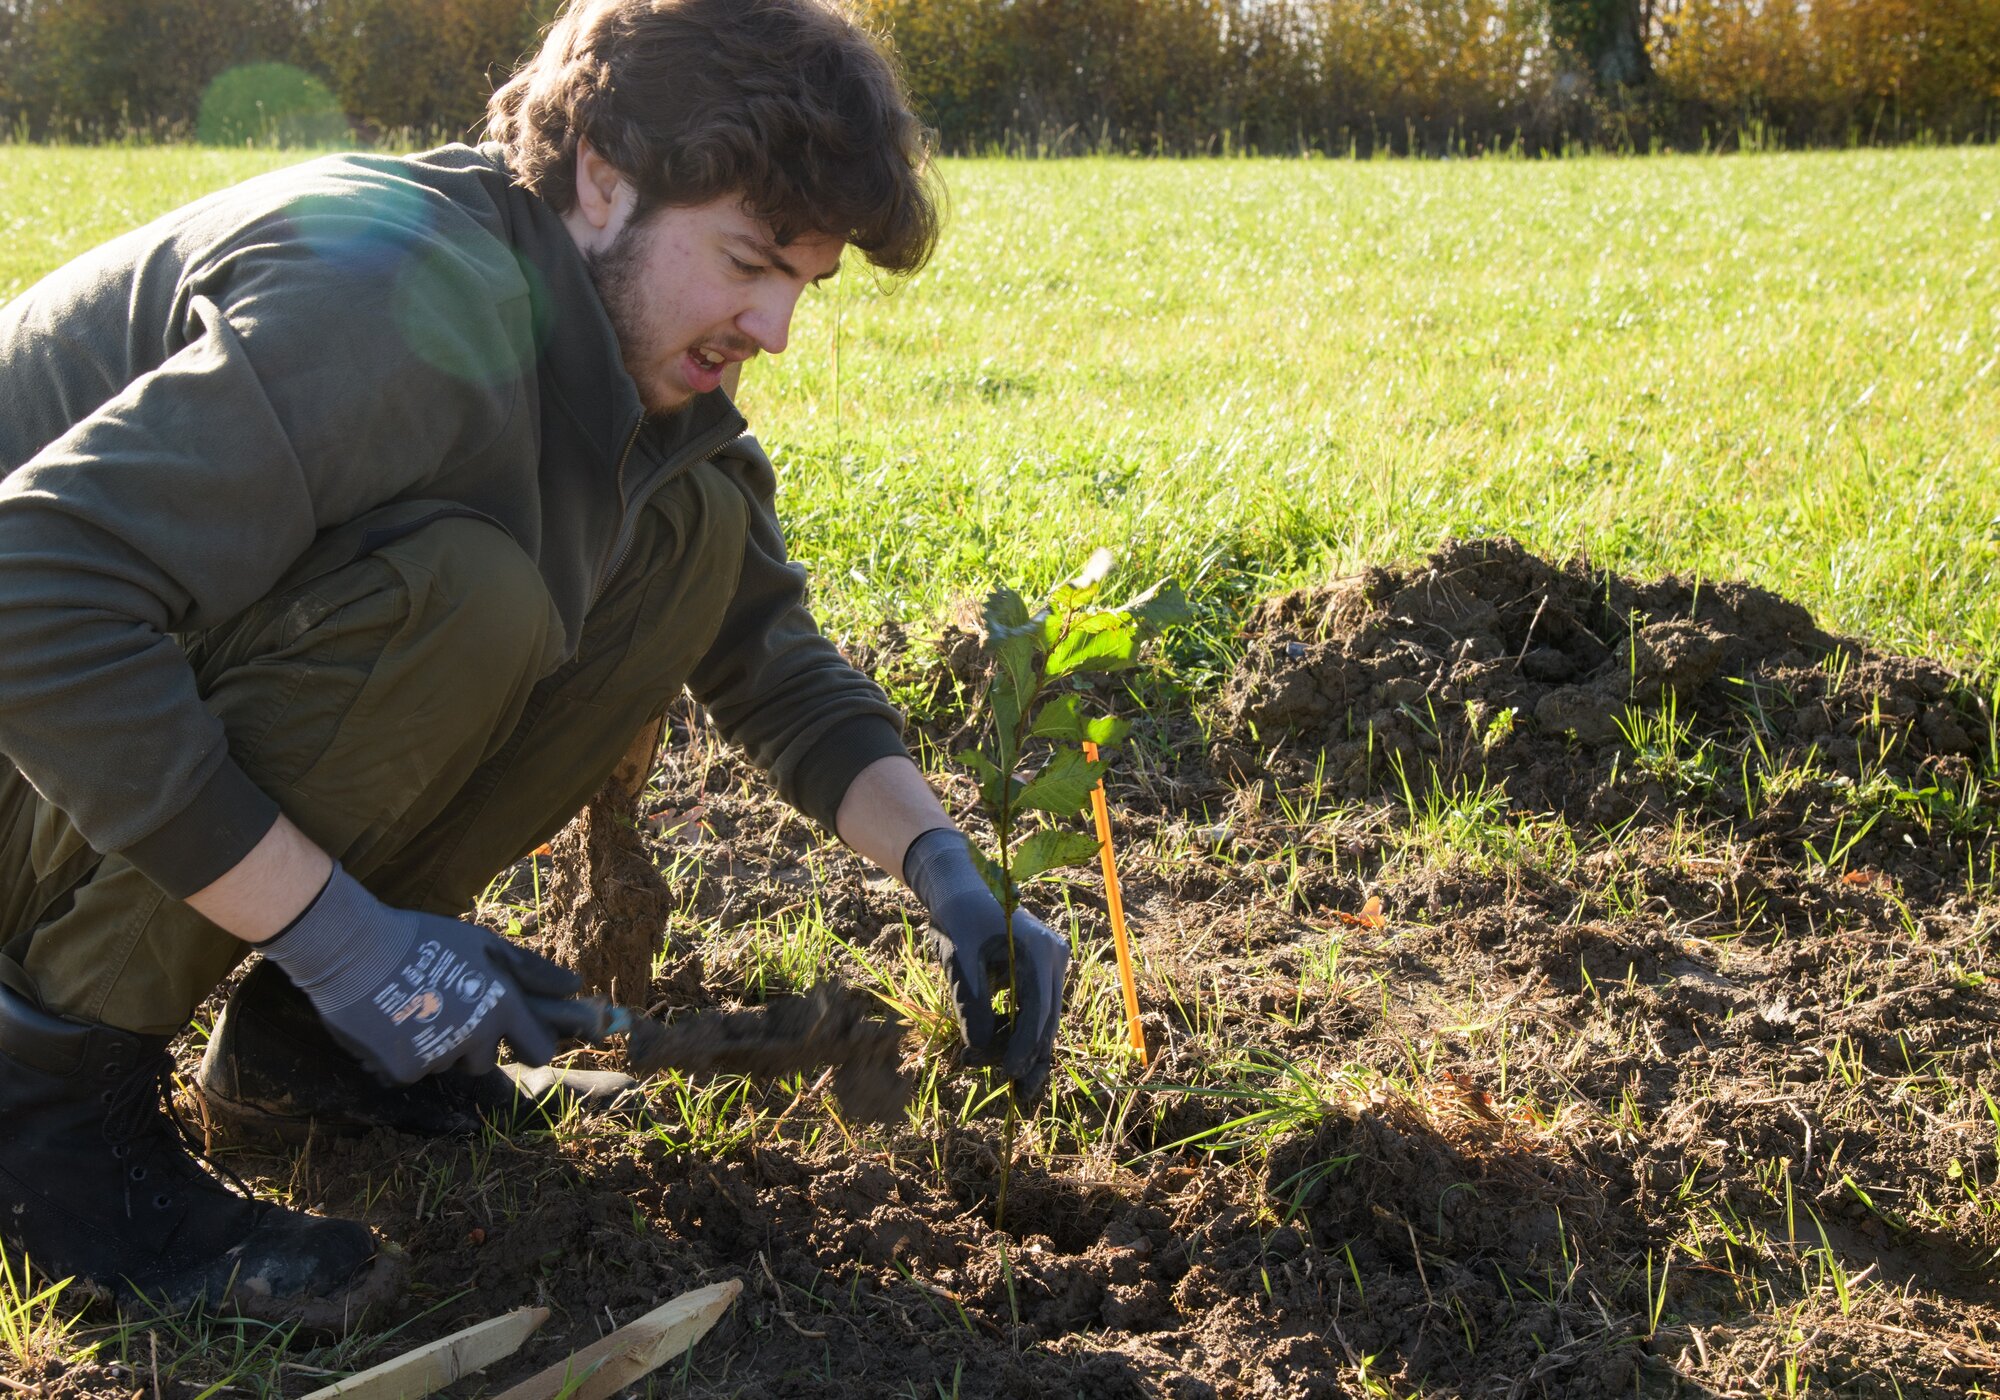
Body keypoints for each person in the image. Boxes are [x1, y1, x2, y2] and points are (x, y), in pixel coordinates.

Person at [0, 0, 1069, 1324]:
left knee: (688, 530)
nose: (777, 326)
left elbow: (767, 654)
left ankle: (315, 1052)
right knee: (472, 598)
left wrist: (946, 870)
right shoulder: (389, 298)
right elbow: (30, 594)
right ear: (602, 177)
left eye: (804, 282)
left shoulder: (613, 352)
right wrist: (348, 940)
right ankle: (46, 1115)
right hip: (30, 734)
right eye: (748, 262)